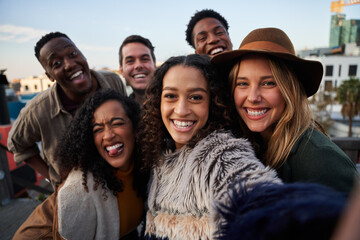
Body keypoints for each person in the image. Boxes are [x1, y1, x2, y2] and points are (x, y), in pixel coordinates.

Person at [138, 54, 281, 239]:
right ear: (159, 101)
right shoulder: (158, 153)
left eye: (196, 97)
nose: (181, 110)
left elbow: (269, 210)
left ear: (212, 103)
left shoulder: (221, 155)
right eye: (171, 96)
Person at [211, 27, 359, 193]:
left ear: (290, 90)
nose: (253, 97)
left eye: (268, 83)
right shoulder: (244, 145)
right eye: (243, 83)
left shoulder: (322, 160)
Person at [13, 89, 148, 239]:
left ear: (135, 127)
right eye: (98, 129)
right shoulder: (80, 188)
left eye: (117, 123)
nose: (108, 135)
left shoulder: (142, 167)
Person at [7, 32, 127, 190]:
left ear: (83, 55)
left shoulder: (113, 82)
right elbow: (17, 144)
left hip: (123, 182)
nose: (69, 64)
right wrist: (56, 181)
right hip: (78, 197)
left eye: (72, 53)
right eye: (56, 63)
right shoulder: (37, 111)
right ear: (49, 76)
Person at [119, 35, 156, 105]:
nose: (138, 65)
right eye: (130, 61)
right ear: (121, 71)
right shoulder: (121, 111)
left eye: (145, 59)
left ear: (155, 65)